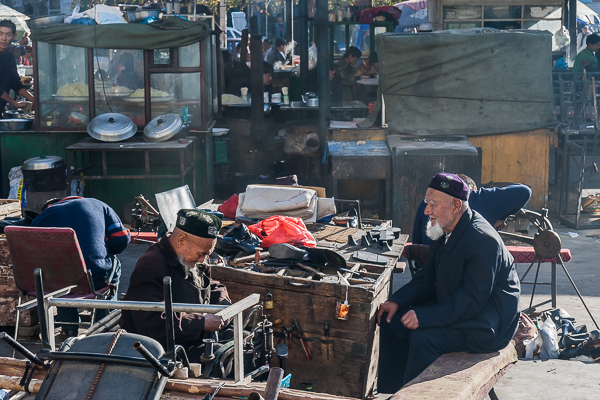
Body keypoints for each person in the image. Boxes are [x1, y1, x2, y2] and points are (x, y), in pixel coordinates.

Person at [377, 173, 521, 392]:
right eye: (426, 203)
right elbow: (428, 276)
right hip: (460, 308)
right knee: (391, 323)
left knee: (423, 338)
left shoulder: (483, 240)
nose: (426, 211)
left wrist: (424, 316)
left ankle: (420, 396)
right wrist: (397, 301)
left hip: (488, 323)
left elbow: (472, 300)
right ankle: (395, 392)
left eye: (432, 204)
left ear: (456, 205)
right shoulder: (443, 229)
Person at [120, 209, 230, 352]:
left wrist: (224, 306)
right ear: (181, 240)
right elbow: (152, 322)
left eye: (207, 254)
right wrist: (201, 322)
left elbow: (210, 285)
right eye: (201, 254)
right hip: (161, 350)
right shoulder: (151, 266)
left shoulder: (198, 258)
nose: (203, 260)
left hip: (193, 338)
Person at [31, 196, 130, 335]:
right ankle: (103, 326)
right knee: (115, 264)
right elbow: (122, 239)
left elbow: (29, 246)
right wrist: (106, 248)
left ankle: (69, 329)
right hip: (95, 280)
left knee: (59, 271)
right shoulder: (99, 204)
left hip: (55, 284)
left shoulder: (45, 215)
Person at [412, 174, 532, 245]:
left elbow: (416, 243)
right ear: (471, 190)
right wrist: (500, 218)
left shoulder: (426, 203)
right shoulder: (478, 198)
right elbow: (524, 191)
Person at [0, 20, 34, 115]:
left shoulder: (10, 56)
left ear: (14, 36)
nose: (4, 38)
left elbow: (15, 83)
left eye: (8, 35)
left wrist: (34, 100)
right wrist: (14, 103)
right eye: (0, 34)